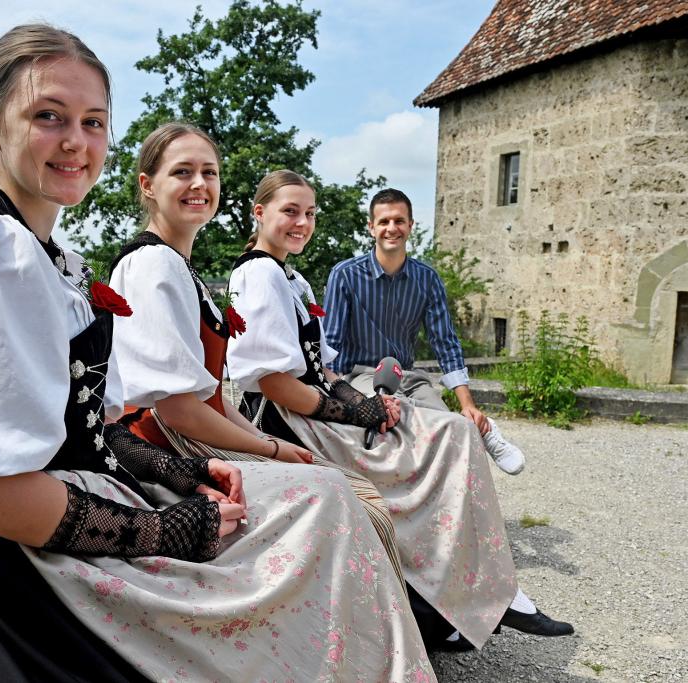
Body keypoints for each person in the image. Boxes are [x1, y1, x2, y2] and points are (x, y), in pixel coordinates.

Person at [0, 31, 435, 680]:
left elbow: (92, 429)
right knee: (316, 518)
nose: (75, 141)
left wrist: (182, 472)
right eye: (48, 116)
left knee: (322, 505)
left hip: (64, 499)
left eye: (93, 122)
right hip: (4, 557)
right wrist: (162, 530)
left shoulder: (53, 259)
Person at [108, 123, 434, 679]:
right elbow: (176, 409)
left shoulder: (179, 266)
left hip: (195, 427)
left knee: (349, 487)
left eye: (209, 172)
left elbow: (211, 396)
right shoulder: (153, 265)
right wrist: (274, 448)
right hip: (165, 447)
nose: (199, 184)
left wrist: (267, 442)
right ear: (147, 185)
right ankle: (364, 646)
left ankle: (383, 630)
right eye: (182, 172)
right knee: (340, 491)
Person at [226, 170, 574, 651]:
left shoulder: (291, 276)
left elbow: (325, 368)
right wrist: (356, 413)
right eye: (290, 211)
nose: (302, 222)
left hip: (318, 402)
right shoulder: (258, 273)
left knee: (455, 433)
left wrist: (365, 403)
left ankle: (474, 589)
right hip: (286, 417)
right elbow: (275, 383)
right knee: (437, 445)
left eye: (309, 213)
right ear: (259, 213)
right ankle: (483, 591)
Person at [323, 188, 525, 475]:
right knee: (403, 417)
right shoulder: (345, 275)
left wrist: (468, 403)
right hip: (362, 376)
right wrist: (330, 397)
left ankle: (482, 427)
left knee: (449, 425)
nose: (391, 228)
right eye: (383, 222)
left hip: (408, 376)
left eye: (399, 221)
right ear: (371, 227)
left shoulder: (427, 279)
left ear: (410, 225)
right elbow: (330, 342)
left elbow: (445, 343)